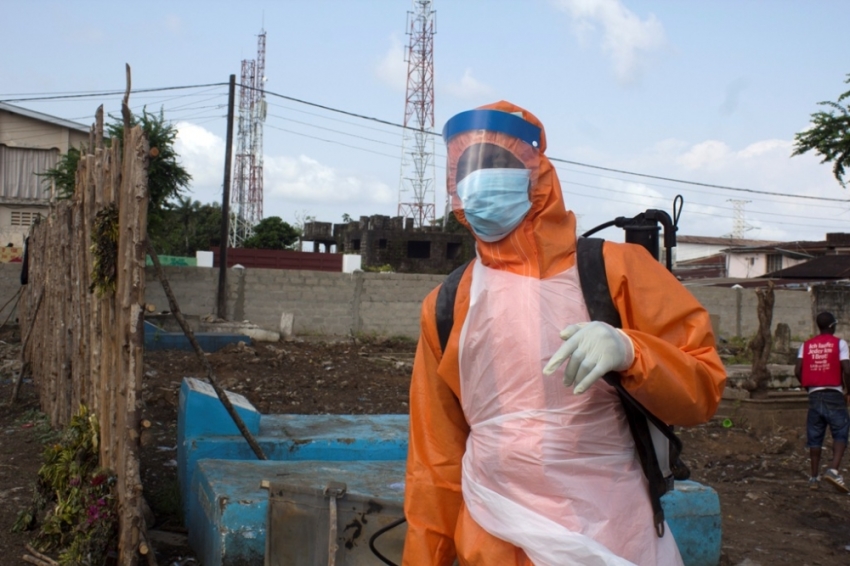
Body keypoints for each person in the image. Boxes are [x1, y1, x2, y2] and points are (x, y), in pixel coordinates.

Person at [403, 101, 727, 566]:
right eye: (465, 171)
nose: (479, 181)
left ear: (537, 171)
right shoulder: (448, 304)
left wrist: (632, 352)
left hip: (611, 536)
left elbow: (703, 389)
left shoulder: (616, 273)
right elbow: (434, 460)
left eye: (496, 163)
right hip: (491, 540)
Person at [794, 311, 850, 493]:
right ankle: (833, 469)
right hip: (834, 393)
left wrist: (807, 387)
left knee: (815, 435)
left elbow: (797, 369)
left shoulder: (806, 345)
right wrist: (848, 391)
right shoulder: (840, 344)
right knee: (841, 432)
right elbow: (847, 370)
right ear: (832, 326)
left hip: (814, 395)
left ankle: (814, 478)